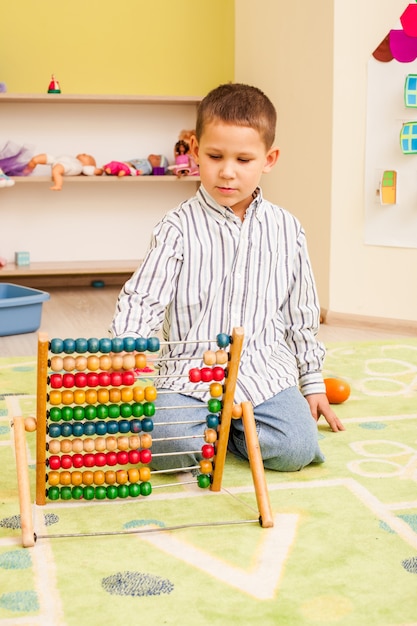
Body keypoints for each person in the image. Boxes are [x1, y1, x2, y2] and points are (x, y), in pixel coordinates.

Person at [111, 83, 345, 473]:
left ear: (269, 159)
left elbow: (300, 312)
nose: (227, 171)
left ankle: (228, 432)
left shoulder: (287, 228)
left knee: (297, 449)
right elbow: (144, 297)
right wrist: (124, 349)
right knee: (166, 445)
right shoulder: (177, 227)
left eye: (243, 159)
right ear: (196, 150)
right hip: (190, 374)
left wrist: (313, 381)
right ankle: (211, 428)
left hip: (264, 371)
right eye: (215, 155)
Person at [26, 153, 103, 190]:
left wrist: (101, 170)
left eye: (89, 157)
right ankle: (27, 170)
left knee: (56, 171)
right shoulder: (74, 159)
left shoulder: (83, 168)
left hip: (67, 166)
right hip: (56, 160)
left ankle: (58, 185)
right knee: (36, 159)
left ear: (89, 165)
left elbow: (96, 171)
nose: (85, 154)